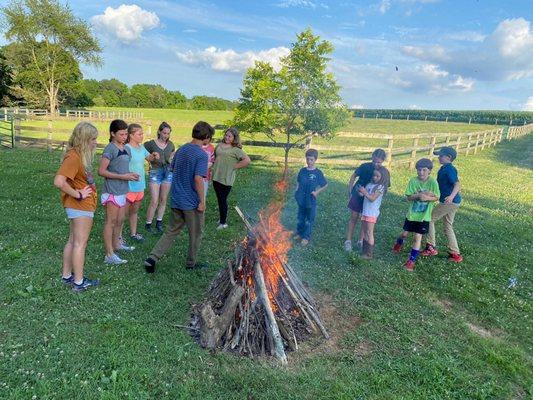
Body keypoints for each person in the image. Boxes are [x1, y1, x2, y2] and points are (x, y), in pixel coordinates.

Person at [144, 121, 214, 273]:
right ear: (206, 137)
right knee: (196, 233)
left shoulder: (181, 150)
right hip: (191, 202)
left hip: (176, 199)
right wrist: (202, 201)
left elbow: (172, 168)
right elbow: (198, 179)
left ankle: (152, 258)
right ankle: (191, 263)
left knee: (171, 230)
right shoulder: (201, 155)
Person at [53, 122, 100, 292]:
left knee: (73, 241)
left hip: (80, 207)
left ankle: (67, 276)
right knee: (80, 243)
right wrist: (78, 194)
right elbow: (59, 181)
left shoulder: (79, 155)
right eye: (93, 139)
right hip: (80, 206)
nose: (95, 142)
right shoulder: (73, 156)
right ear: (84, 139)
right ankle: (79, 282)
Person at [98, 119, 140, 265]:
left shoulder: (126, 149)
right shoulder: (110, 149)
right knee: (110, 221)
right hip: (112, 191)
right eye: (121, 134)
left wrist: (131, 174)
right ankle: (109, 254)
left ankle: (117, 244)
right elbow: (101, 171)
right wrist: (123, 176)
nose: (124, 137)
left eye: (126, 134)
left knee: (120, 220)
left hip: (123, 190)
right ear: (112, 134)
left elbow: (122, 168)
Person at [392, 158, 440, 271]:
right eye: (419, 170)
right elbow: (409, 197)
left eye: (424, 170)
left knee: (417, 237)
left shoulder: (433, 182)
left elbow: (437, 197)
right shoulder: (413, 181)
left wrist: (427, 198)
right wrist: (419, 195)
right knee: (404, 234)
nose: (421, 172)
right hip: (412, 215)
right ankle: (399, 243)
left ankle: (411, 261)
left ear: (429, 171)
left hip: (424, 217)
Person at [421, 146, 463, 262]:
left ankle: (430, 247)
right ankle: (455, 253)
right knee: (448, 225)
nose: (438, 157)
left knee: (429, 219)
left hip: (450, 202)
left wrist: (451, 196)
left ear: (448, 157)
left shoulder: (449, 169)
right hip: (454, 202)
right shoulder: (443, 168)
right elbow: (441, 186)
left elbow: (457, 184)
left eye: (441, 155)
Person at [345, 148, 388, 252]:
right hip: (357, 195)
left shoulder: (384, 172)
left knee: (364, 220)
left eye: (379, 162)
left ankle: (361, 241)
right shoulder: (364, 166)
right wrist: (350, 190)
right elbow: (353, 176)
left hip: (369, 200)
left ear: (383, 161)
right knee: (354, 217)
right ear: (371, 157)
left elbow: (385, 186)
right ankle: (348, 241)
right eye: (374, 161)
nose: (376, 164)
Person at [123, 123, 159, 242]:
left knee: (134, 212)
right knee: (123, 214)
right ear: (131, 135)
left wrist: (154, 155)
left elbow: (149, 158)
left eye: (142, 133)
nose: (142, 136)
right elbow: (120, 166)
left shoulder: (141, 147)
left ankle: (133, 234)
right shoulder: (126, 148)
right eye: (139, 134)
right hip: (128, 186)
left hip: (140, 186)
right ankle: (118, 237)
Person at [211, 127, 251, 229]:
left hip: (226, 178)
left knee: (222, 199)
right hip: (216, 176)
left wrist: (234, 166)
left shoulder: (236, 150)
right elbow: (215, 157)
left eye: (230, 136)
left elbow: (247, 160)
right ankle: (221, 219)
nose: (227, 137)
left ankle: (223, 223)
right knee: (220, 199)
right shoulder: (219, 145)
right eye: (226, 135)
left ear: (234, 138)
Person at [144, 122, 175, 233]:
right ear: (159, 132)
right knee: (154, 200)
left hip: (168, 173)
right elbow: (144, 154)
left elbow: (172, 156)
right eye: (164, 133)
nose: (166, 135)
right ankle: (148, 224)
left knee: (163, 199)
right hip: (155, 172)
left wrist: (172, 159)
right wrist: (151, 158)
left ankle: (159, 222)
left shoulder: (171, 145)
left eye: (168, 133)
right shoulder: (151, 144)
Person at [294, 148, 328, 246]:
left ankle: (306, 237)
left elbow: (325, 185)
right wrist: (296, 191)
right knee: (300, 217)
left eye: (311, 159)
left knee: (309, 219)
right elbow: (298, 182)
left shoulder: (318, 173)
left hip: (311, 200)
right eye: (307, 159)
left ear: (315, 159)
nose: (309, 161)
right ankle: (300, 233)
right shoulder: (302, 171)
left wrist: (317, 192)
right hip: (301, 198)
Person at [358, 166, 390, 259]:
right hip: (365, 211)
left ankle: (369, 254)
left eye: (377, 176)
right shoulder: (369, 185)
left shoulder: (380, 187)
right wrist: (361, 192)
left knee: (369, 232)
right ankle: (364, 251)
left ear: (383, 177)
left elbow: (372, 198)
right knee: (364, 231)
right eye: (374, 175)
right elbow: (364, 195)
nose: (374, 177)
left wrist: (364, 193)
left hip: (372, 213)